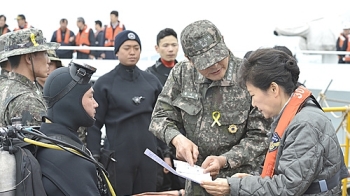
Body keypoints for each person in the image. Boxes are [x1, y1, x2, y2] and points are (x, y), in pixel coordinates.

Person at [200, 48, 348, 196]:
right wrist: (252, 181)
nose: (253, 103)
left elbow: (288, 186)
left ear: (273, 89)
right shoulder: (295, 113)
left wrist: (234, 186)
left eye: (253, 95)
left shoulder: (304, 124)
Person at [149, 19, 271, 196]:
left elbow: (261, 136)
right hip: (198, 183)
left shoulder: (248, 75)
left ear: (223, 41)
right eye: (205, 63)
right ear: (189, 60)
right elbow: (159, 117)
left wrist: (224, 160)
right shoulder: (181, 73)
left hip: (238, 184)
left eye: (218, 57)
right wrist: (177, 139)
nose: (215, 66)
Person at [86, 30, 162, 195]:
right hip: (117, 159)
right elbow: (94, 124)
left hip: (148, 157)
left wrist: (166, 153)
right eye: (127, 48)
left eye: (136, 47)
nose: (132, 52)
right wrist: (95, 157)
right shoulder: (104, 83)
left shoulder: (151, 82)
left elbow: (163, 121)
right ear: (117, 51)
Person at [36, 61, 102, 195]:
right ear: (71, 102)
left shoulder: (43, 141)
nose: (96, 104)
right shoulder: (70, 159)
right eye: (90, 96)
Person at [145, 28, 185, 191]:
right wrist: (165, 152)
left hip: (185, 139)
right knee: (164, 187)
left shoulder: (186, 71)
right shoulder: (150, 75)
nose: (170, 49)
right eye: (166, 45)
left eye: (174, 45)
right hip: (161, 141)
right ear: (157, 48)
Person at [0, 28, 59, 127]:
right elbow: (39, 141)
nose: (48, 60)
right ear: (29, 58)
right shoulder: (28, 101)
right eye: (44, 53)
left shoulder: (4, 86)